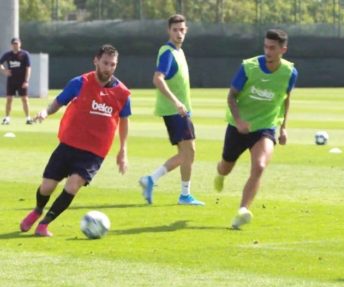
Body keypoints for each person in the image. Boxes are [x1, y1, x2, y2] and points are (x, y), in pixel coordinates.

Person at [19, 44, 131, 237]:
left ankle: (44, 224)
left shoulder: (122, 94)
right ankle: (37, 210)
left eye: (113, 64)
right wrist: (45, 112)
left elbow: (124, 121)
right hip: (69, 144)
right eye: (105, 63)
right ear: (96, 60)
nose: (108, 68)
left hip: (94, 152)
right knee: (47, 187)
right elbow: (58, 101)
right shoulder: (79, 82)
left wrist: (123, 150)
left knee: (73, 185)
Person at [214, 29, 298, 229]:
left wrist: (283, 127)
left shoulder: (290, 72)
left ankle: (242, 210)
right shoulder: (248, 67)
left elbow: (286, 99)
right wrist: (239, 120)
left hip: (264, 128)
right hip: (238, 127)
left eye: (272, 48)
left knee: (259, 166)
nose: (268, 51)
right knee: (226, 167)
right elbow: (231, 96)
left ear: (282, 50)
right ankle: (220, 173)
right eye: (266, 47)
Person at [139, 14, 204, 206]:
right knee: (189, 151)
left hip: (180, 110)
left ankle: (155, 182)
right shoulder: (167, 51)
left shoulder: (178, 51)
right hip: (175, 110)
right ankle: (172, 189)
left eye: (182, 29)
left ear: (186, 30)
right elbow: (157, 78)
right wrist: (177, 102)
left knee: (186, 153)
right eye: (175, 30)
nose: (179, 33)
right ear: (169, 31)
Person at [0, 37, 32, 125]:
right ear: (11, 45)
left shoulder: (25, 54)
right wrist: (4, 71)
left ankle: (28, 118)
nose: (15, 45)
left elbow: (28, 68)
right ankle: (7, 118)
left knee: (25, 99)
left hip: (22, 81)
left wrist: (26, 81)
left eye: (17, 43)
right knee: (9, 99)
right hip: (11, 81)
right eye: (14, 44)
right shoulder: (8, 55)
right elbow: (0, 64)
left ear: (20, 44)